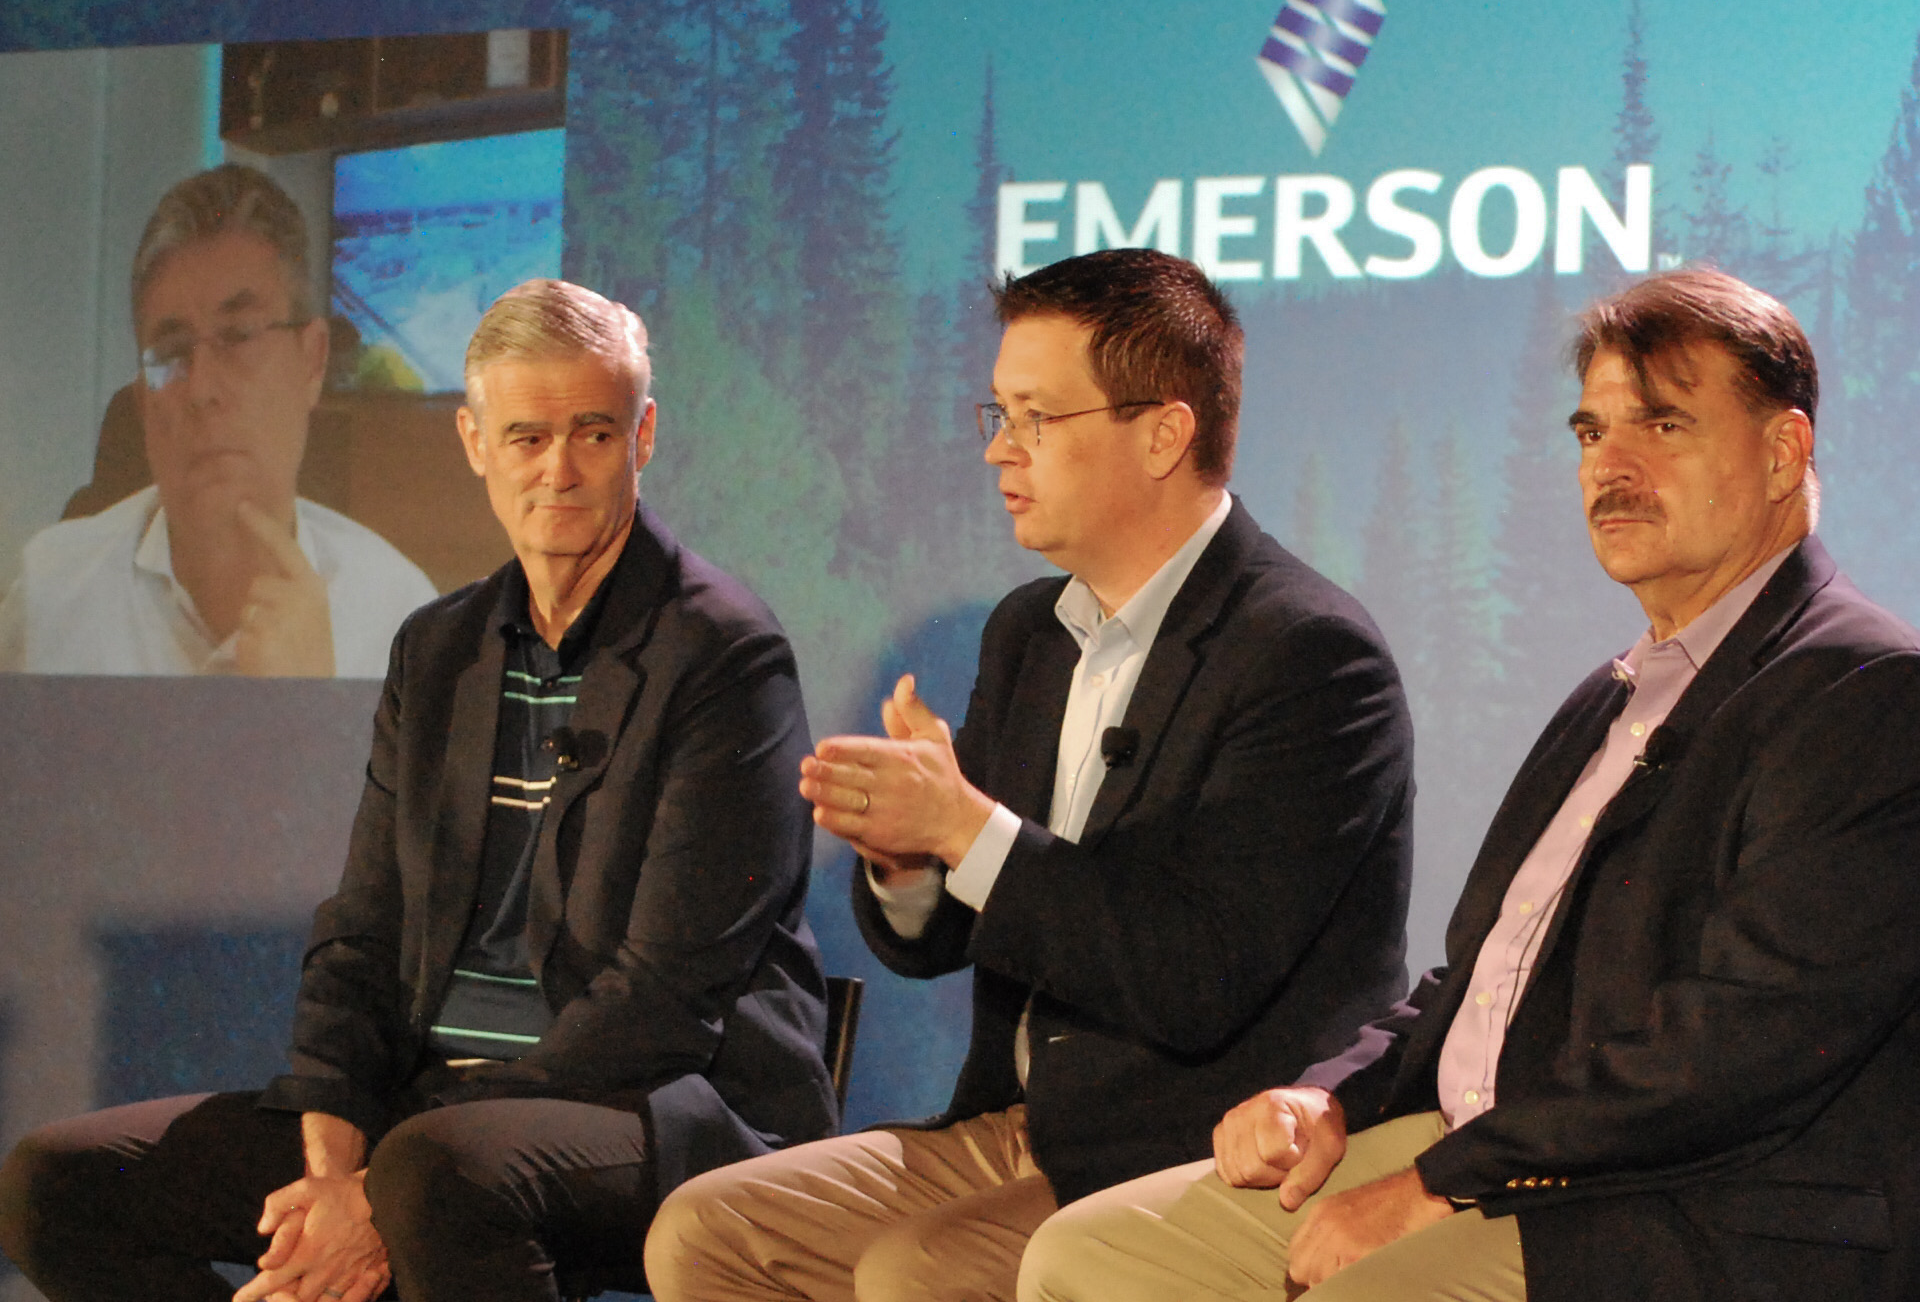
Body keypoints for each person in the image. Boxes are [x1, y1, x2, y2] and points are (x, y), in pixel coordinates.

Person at [1018, 268, 1920, 1302]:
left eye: (1663, 427)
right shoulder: (1612, 697)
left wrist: (1437, 1185)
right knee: (1088, 1259)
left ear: (1782, 451)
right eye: (1590, 434)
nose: (1611, 467)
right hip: (1499, 1152)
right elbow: (1475, 982)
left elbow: (1734, 1051)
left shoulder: (1869, 692)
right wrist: (1330, 1102)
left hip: (1702, 1209)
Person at [0, 278, 838, 1302]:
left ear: (644, 435)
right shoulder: (439, 647)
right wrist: (331, 1148)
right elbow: (365, 924)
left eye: (595, 434)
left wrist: (387, 1170)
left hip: (662, 1110)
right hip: (426, 1115)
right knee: (63, 1182)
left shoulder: (720, 652)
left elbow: (660, 999)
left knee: (436, 1176)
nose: (561, 473)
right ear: (475, 441)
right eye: (527, 438)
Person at [645, 247, 1416, 1302]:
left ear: (1162, 432)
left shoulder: (1309, 657)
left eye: (1038, 419)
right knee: (704, 1232)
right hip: (1016, 1123)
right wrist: (911, 863)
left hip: (1188, 1142)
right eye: (996, 414)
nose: (1002, 450)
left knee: (914, 1274)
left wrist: (966, 830)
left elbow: (1193, 978)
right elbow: (963, 931)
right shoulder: (1029, 632)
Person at [0, 163, 435, 677]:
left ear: (312, 361)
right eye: (172, 350)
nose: (201, 390)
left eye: (239, 336)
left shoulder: (403, 626)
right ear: (142, 402)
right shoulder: (51, 595)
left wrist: (316, 713)